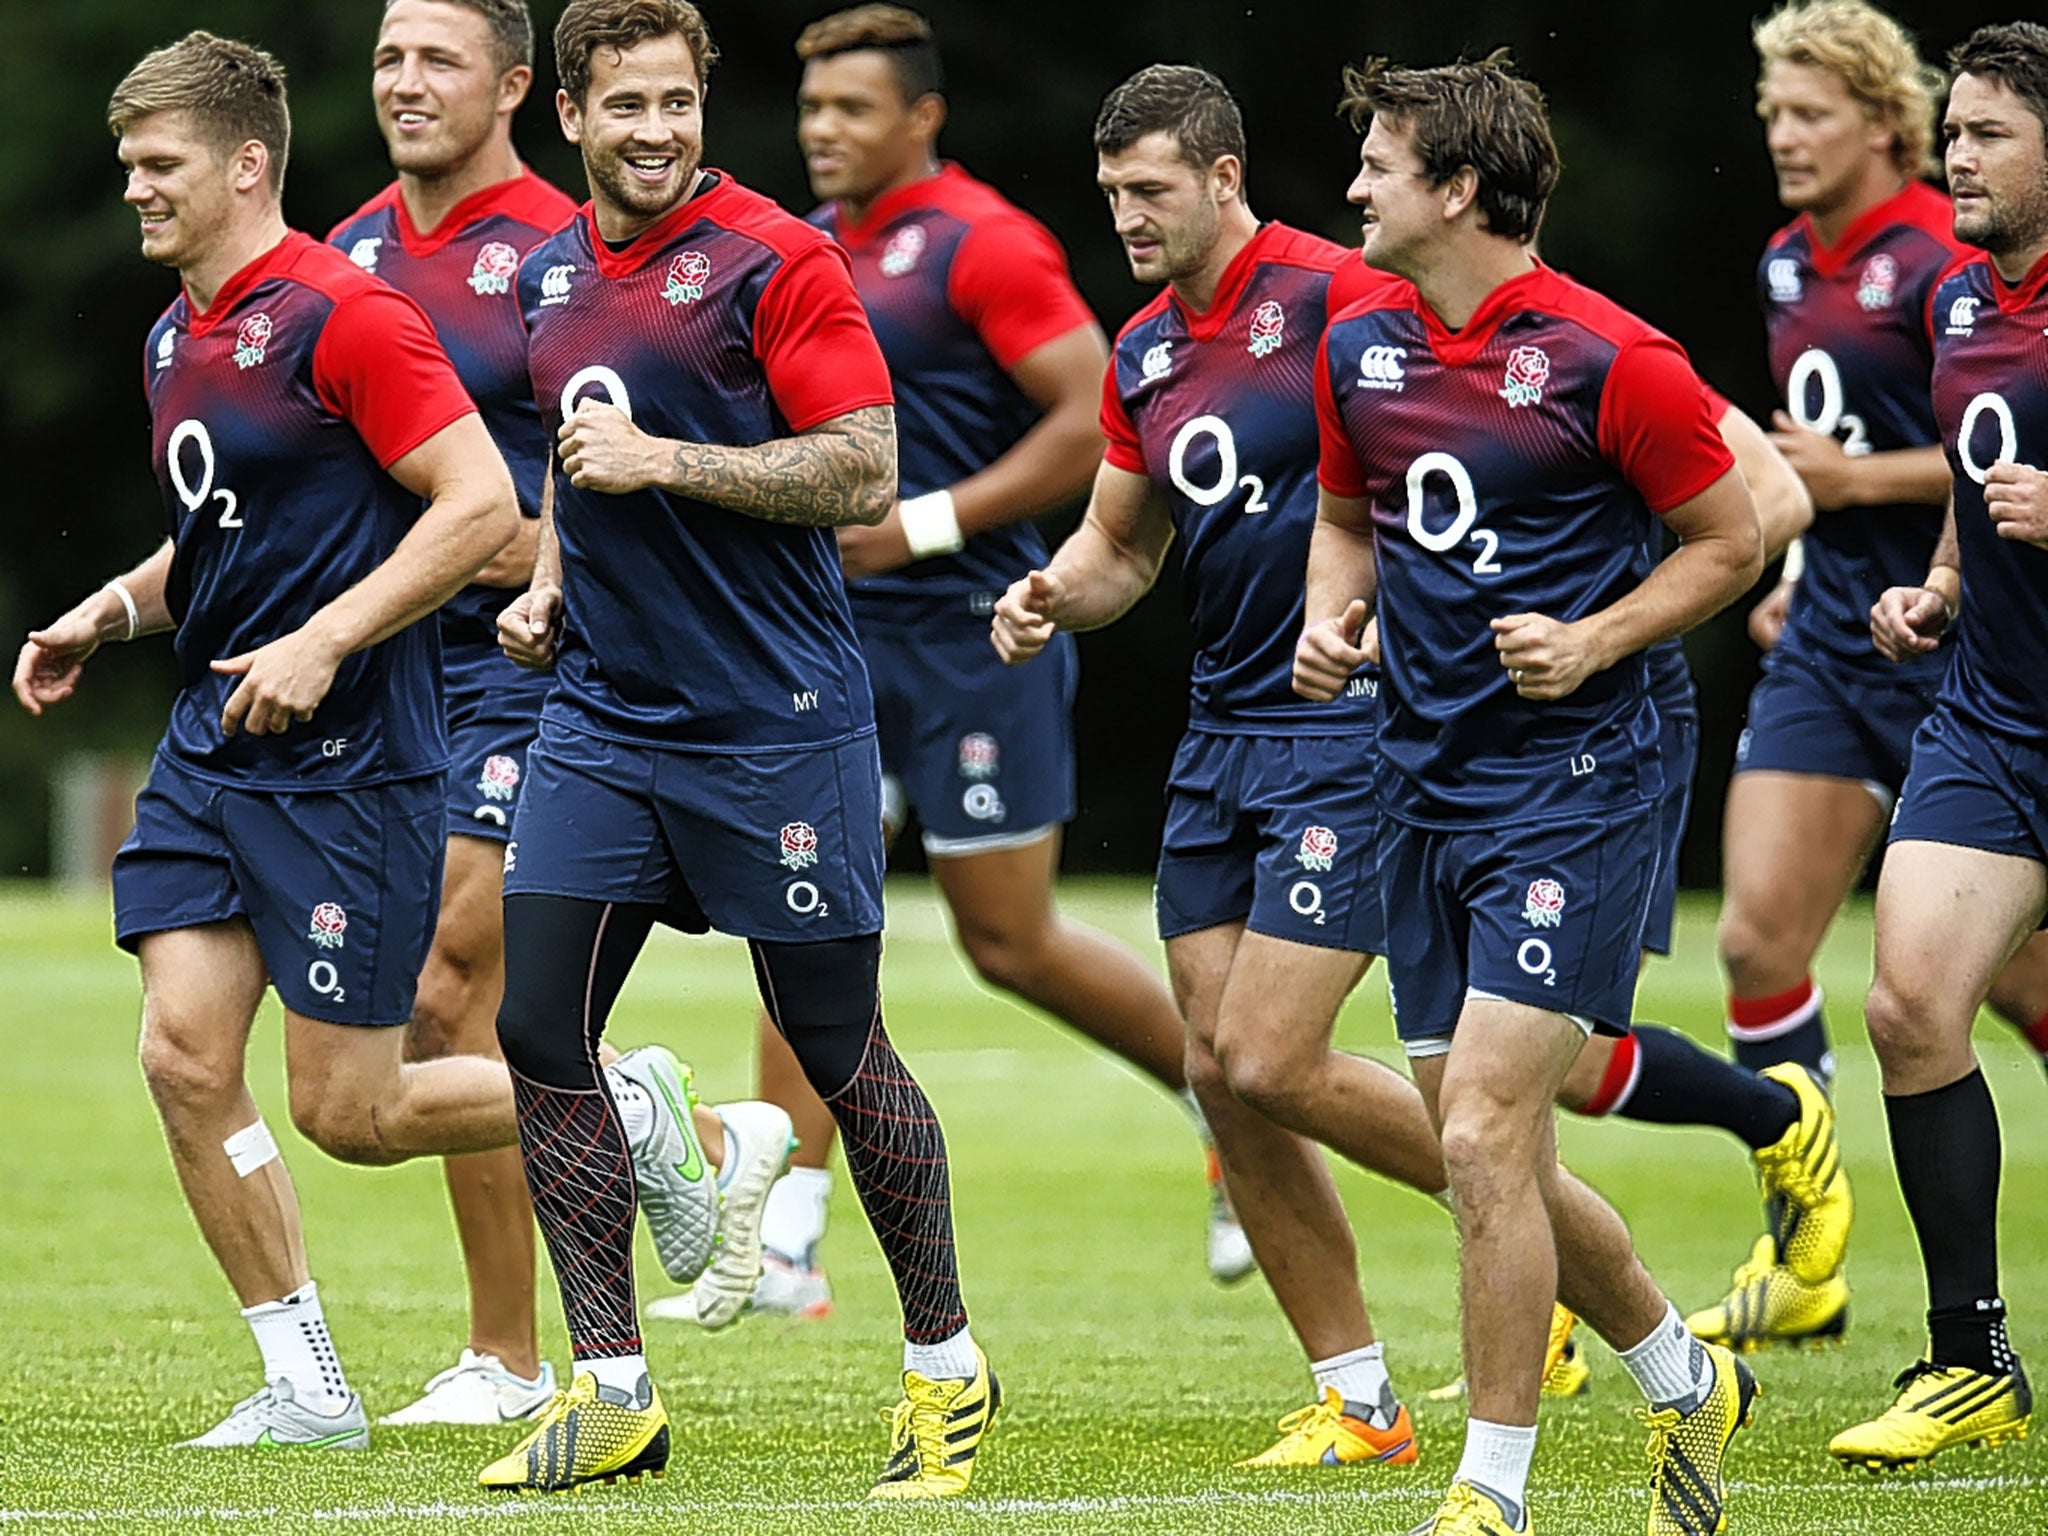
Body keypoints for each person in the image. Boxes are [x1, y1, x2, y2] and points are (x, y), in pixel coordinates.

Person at [657, 2, 1242, 1326]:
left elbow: (1096, 414)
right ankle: (789, 1238)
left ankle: (1231, 1103)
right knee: (800, 901)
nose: (823, 131)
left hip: (981, 631)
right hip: (830, 644)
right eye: (811, 110)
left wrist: (923, 522)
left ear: (921, 116)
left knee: (1010, 939)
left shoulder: (981, 241)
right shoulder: (800, 250)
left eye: (852, 109)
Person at [478, 0, 993, 1499]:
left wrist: (667, 463)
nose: (655, 132)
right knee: (535, 1031)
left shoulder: (776, 257)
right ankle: (614, 1393)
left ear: (706, 108)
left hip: (773, 722)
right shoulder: (553, 270)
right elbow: (585, 450)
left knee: (834, 1044)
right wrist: (554, 578)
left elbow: (861, 464)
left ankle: (945, 1368)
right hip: (602, 719)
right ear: (569, 116)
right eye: (624, 106)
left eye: (679, 103)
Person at [12, 29, 547, 1451]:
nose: (134, 188)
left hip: (350, 755)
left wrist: (327, 640)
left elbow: (481, 504)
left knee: (352, 1112)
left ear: (247, 166)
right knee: (185, 1056)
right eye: (126, 163)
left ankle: (625, 1102)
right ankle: (306, 1383)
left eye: (158, 164)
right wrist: (109, 610)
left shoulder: (342, 311)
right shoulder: (174, 334)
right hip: (213, 742)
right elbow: (227, 546)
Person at [1297, 54, 1764, 1535]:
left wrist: (1596, 637)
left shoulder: (1614, 358)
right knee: (1475, 1142)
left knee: (1492, 1131)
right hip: (1420, 777)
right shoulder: (1358, 336)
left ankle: (1489, 1491)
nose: (1355, 186)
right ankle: (1688, 1371)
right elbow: (1346, 511)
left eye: (1380, 162)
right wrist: (1331, 612)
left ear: (1458, 190)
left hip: (1586, 775)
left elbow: (1728, 541)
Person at [326, 0, 790, 1422]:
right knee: (417, 1020)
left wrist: (547, 566)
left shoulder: (560, 248)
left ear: (525, 88)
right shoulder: (346, 249)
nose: (407, 82)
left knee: (453, 991)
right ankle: (702, 1135)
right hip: (399, 676)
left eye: (440, 60)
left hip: (537, 671)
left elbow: (589, 475)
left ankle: (510, 1356)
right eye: (391, 56)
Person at [997, 62, 1450, 1468]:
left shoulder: (1340, 293)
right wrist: (1049, 593)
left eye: (1151, 191)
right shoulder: (1142, 353)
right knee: (1219, 1067)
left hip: (1349, 721)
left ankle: (1525, 1217)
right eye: (1112, 194)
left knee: (1271, 1052)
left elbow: (1451, 464)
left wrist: (1392, 623)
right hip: (1223, 732)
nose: (1127, 217)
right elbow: (1123, 546)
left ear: (1224, 177)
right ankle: (1360, 1399)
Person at [1698, 0, 2048, 1342]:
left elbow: (1921, 455)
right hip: (1862, 620)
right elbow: (1835, 463)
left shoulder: (1941, 249)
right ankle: (1807, 1251)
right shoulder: (1795, 263)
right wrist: (1796, 568)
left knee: (2000, 982)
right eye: (1770, 114)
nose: (1781, 136)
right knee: (1756, 937)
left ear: (1881, 121)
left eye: (1808, 112)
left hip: (1979, 639)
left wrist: (1862, 491)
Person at [1833, 18, 2048, 1472]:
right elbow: (1980, 478)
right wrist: (1946, 585)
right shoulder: (1962, 302)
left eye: (1986, 135)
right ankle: (1969, 1355)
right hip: (1997, 715)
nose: (1953, 156)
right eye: (1952, 131)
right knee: (1910, 1006)